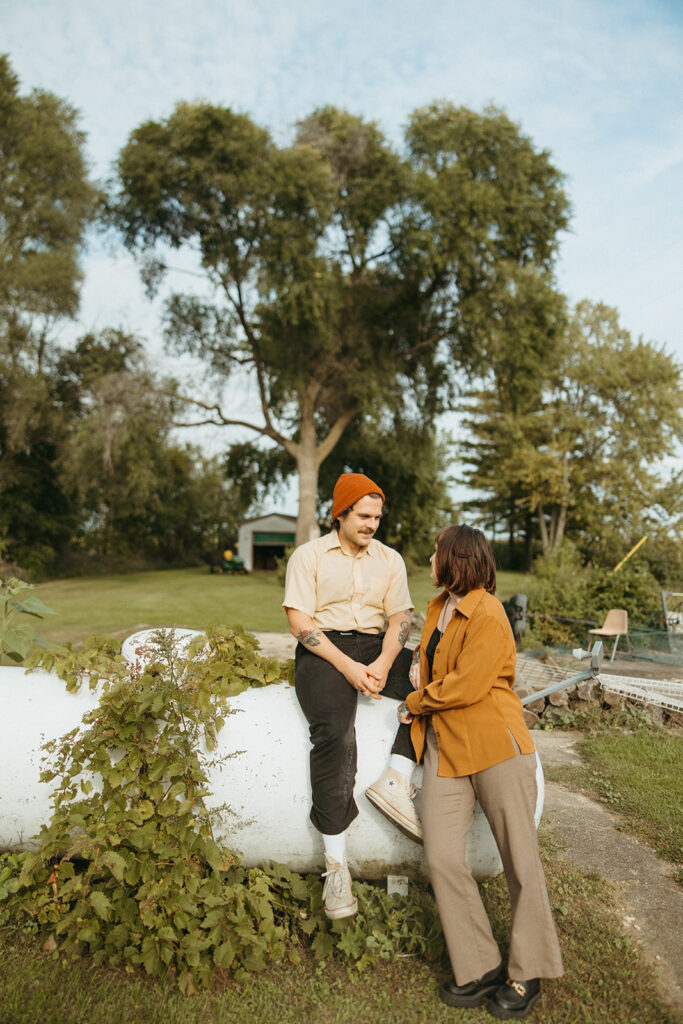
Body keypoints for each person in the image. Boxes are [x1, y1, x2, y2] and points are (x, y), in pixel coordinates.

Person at [399, 524, 563, 1020]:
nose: (429, 559)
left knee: (519, 860)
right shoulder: (438, 608)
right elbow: (433, 664)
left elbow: (467, 685)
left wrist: (415, 700)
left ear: (457, 559)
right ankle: (480, 964)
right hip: (446, 750)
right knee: (443, 857)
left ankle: (527, 970)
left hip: (496, 746)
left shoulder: (488, 612)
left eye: (436, 552)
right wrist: (415, 667)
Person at [283, 472, 421, 920]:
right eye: (363, 516)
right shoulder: (309, 557)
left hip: (375, 647)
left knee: (437, 685)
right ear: (340, 513)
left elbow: (400, 615)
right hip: (324, 651)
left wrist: (382, 664)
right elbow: (301, 623)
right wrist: (349, 668)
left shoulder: (390, 559)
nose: (371, 524)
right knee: (335, 734)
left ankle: (396, 778)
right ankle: (336, 867)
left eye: (377, 517)